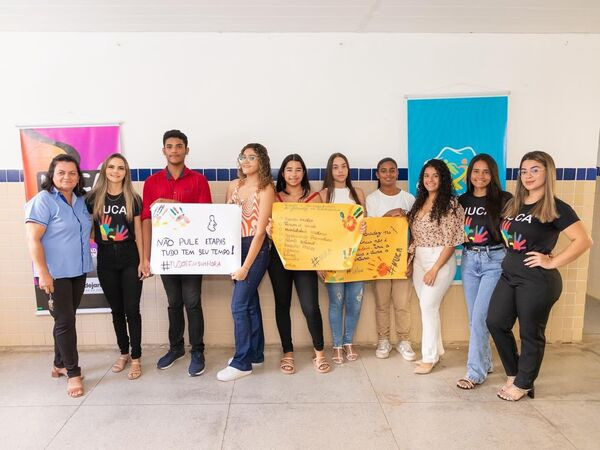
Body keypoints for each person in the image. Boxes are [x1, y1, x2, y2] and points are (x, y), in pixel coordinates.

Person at [487, 151, 592, 401]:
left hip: (537, 280)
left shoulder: (556, 207)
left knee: (530, 333)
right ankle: (515, 373)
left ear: (548, 173)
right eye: (524, 170)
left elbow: (583, 240)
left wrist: (552, 260)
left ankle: (523, 383)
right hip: (510, 273)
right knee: (495, 321)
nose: (528, 175)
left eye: (535, 169)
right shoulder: (514, 204)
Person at [141, 130, 212, 377]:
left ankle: (198, 351)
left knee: (192, 302)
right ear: (164, 150)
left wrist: (169, 205)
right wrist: (146, 257)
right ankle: (176, 348)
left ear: (186, 150)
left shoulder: (199, 181)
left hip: (193, 253)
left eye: (179, 146)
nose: (174, 150)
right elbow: (146, 221)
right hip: (166, 256)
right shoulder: (151, 183)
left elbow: (204, 218)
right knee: (173, 304)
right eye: (169, 146)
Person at [25, 154, 93, 397]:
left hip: (78, 270)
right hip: (56, 274)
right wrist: (43, 273)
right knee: (66, 322)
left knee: (64, 319)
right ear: (51, 175)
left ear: (78, 177)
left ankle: (58, 364)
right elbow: (33, 239)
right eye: (61, 172)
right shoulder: (43, 201)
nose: (67, 176)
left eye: (72, 173)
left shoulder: (80, 200)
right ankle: (73, 374)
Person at [267, 154, 330, 374]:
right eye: (289, 170)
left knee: (310, 306)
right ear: (282, 173)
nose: (293, 174)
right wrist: (268, 231)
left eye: (298, 170)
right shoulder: (273, 197)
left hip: (306, 260)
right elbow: (267, 227)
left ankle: (320, 352)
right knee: (282, 305)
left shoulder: (315, 198)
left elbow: (323, 233)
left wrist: (321, 263)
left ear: (304, 173)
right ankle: (288, 352)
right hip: (279, 260)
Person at [217, 143, 275, 382]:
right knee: (249, 302)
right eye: (243, 156)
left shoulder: (266, 188)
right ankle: (255, 353)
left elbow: (260, 232)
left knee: (238, 306)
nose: (246, 161)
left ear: (262, 160)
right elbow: (225, 219)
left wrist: (245, 267)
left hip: (256, 248)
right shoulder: (233, 185)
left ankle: (242, 363)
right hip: (234, 245)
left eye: (252, 157)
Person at [87, 154, 146, 380]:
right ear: (104, 170)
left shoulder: (133, 198)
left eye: (120, 168)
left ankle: (137, 357)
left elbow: (139, 232)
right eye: (111, 167)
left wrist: (142, 260)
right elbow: (89, 229)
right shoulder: (93, 199)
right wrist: (103, 238)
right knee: (117, 310)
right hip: (106, 259)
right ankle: (123, 353)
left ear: (126, 172)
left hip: (130, 257)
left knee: (132, 310)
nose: (115, 171)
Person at [456, 154, 512, 390]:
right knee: (474, 319)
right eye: (476, 171)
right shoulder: (462, 200)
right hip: (469, 260)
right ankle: (486, 362)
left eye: (486, 172)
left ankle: (474, 372)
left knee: (480, 318)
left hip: (494, 260)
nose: (480, 176)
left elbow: (514, 230)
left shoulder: (504, 199)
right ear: (469, 174)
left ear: (493, 175)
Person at [407, 159, 464, 374]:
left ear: (443, 178)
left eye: (435, 175)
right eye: (426, 176)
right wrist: (412, 261)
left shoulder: (451, 204)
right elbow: (416, 235)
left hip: (439, 260)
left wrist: (434, 269)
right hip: (420, 257)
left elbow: (451, 242)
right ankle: (437, 350)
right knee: (428, 307)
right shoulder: (419, 202)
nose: (430, 180)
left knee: (428, 307)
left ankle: (428, 357)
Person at [366, 157, 416, 361]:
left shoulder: (409, 199)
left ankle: (404, 340)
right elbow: (370, 229)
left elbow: (415, 232)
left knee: (402, 303)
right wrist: (388, 215)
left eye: (392, 170)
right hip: (380, 261)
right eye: (384, 171)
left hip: (402, 260)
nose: (388, 174)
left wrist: (410, 259)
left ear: (397, 173)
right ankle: (383, 340)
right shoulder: (372, 199)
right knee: (382, 303)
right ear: (377, 175)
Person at [319, 153, 366, 365]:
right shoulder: (322, 195)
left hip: (357, 258)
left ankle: (349, 342)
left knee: (355, 303)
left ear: (348, 169)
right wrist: (319, 263)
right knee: (336, 303)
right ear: (330, 170)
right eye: (335, 167)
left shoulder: (358, 193)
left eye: (343, 166)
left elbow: (365, 223)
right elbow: (319, 231)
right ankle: (337, 344)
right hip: (333, 259)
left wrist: (365, 226)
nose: (340, 170)